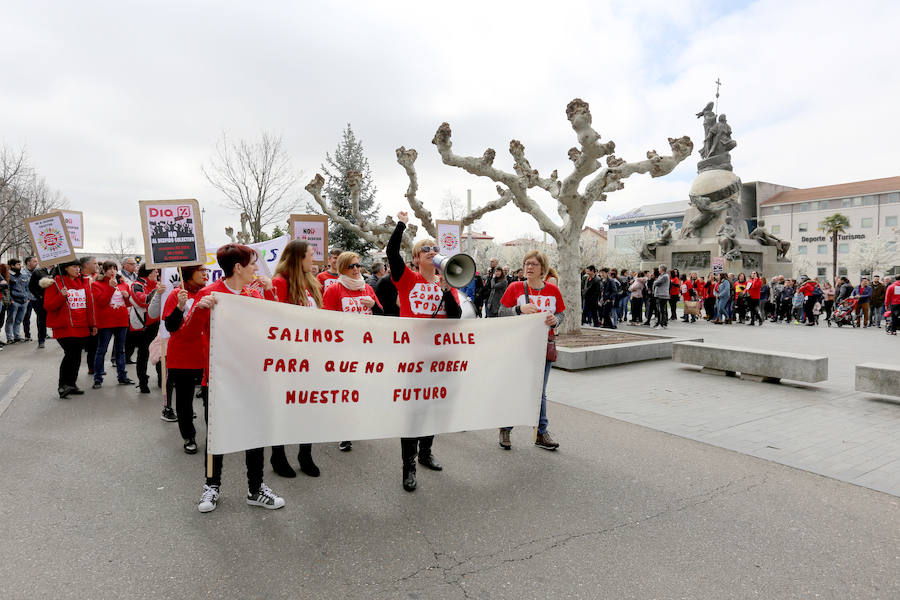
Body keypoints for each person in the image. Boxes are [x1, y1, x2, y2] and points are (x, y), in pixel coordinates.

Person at [183, 244, 284, 513]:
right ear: (237, 267)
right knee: (217, 434)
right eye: (252, 264)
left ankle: (256, 488)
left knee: (255, 433)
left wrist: (271, 293)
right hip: (219, 381)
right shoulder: (209, 294)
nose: (256, 269)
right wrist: (201, 309)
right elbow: (190, 335)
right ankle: (211, 485)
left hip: (253, 379)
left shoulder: (253, 294)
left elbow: (274, 326)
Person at [388, 212, 461, 492]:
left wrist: (445, 290)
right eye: (425, 250)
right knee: (413, 412)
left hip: (439, 359)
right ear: (417, 259)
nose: (432, 252)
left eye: (435, 249)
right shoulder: (406, 279)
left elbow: (454, 318)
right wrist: (401, 224)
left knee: (432, 407)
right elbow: (392, 252)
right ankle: (409, 466)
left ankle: (427, 451)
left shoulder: (447, 285)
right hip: (412, 359)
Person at [498, 250, 564, 451]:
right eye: (526, 263)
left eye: (534, 264)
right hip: (519, 348)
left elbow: (561, 313)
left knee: (540, 391)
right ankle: (506, 428)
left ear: (542, 268)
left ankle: (541, 433)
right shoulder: (515, 287)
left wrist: (556, 321)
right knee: (516, 387)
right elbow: (500, 313)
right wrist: (519, 310)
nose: (528, 267)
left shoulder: (552, 291)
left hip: (544, 347)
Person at [269, 240, 325, 478]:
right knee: (283, 408)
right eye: (311, 255)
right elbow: (274, 322)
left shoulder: (312, 282)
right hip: (287, 360)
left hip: (311, 358)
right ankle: (278, 455)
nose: (314, 259)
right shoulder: (279, 283)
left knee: (308, 407)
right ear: (298, 258)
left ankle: (305, 454)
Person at [322, 250, 383, 453]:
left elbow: (383, 315)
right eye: (352, 266)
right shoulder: (334, 290)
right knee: (345, 392)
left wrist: (374, 305)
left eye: (358, 265)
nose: (357, 269)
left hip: (366, 349)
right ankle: (344, 432)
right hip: (343, 349)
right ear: (342, 269)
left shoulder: (367, 288)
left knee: (362, 389)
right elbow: (326, 322)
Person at [163, 265, 209, 451]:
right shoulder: (177, 294)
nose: (205, 274)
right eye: (201, 271)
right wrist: (180, 306)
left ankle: (216, 435)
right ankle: (188, 436)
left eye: (206, 271)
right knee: (184, 400)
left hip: (206, 354)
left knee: (209, 398)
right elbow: (171, 327)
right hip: (182, 357)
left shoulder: (209, 293)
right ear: (189, 273)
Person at [41, 261, 96, 398]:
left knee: (76, 356)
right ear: (65, 268)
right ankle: (62, 385)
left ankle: (71, 384)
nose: (78, 269)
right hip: (65, 327)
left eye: (78, 266)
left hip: (82, 326)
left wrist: (93, 324)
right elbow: (48, 306)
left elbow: (89, 305)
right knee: (70, 354)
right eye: (74, 266)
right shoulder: (55, 284)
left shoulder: (83, 282)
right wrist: (61, 296)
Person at [91, 261, 134, 388]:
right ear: (103, 271)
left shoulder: (123, 284)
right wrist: (110, 287)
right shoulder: (96, 284)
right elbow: (101, 303)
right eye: (109, 269)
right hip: (105, 322)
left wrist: (127, 297)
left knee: (120, 351)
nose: (112, 271)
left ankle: (122, 376)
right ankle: (98, 378)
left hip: (121, 321)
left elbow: (128, 304)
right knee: (101, 350)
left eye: (114, 268)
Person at [129, 265, 160, 394]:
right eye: (155, 270)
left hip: (157, 323)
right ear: (148, 272)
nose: (157, 272)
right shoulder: (137, 285)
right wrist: (158, 292)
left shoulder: (157, 283)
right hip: (143, 326)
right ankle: (142, 381)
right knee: (143, 354)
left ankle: (162, 379)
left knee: (160, 352)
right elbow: (144, 301)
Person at [79, 256, 100, 373]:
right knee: (90, 346)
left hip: (96, 317)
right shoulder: (79, 279)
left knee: (95, 346)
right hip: (84, 318)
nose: (96, 266)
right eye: (94, 263)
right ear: (86, 265)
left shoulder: (96, 278)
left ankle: (93, 367)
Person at [27, 258, 51, 348]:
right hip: (42, 300)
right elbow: (31, 286)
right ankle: (41, 340)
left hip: (55, 299)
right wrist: (38, 296)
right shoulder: (38, 272)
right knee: (41, 320)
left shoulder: (57, 270)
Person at [5, 259, 29, 343]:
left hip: (24, 301)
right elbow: (6, 289)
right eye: (18, 264)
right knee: (10, 320)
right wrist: (11, 300)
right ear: (12, 266)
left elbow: (27, 288)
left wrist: (28, 298)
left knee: (19, 320)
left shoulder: (23, 275)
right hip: (14, 302)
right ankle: (10, 338)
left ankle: (17, 336)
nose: (20, 266)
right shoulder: (7, 275)